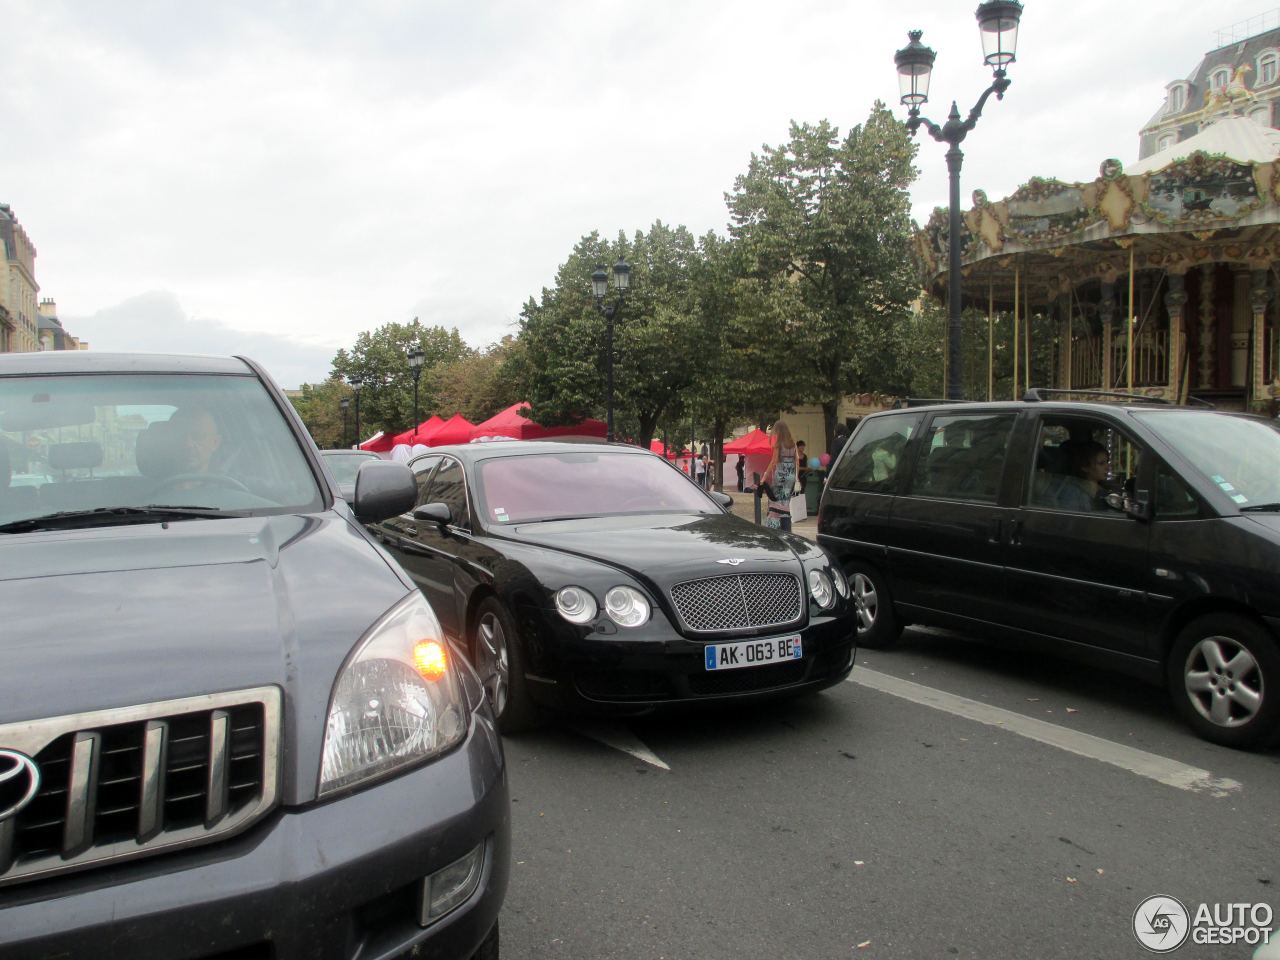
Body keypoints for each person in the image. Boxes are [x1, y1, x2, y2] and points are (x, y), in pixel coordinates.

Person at [760, 420, 799, 532]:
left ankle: (773, 528)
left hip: (780, 476)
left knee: (775, 503)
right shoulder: (793, 443)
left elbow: (774, 461)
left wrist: (764, 476)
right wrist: (796, 478)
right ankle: (786, 529)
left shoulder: (779, 444)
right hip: (790, 477)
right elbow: (797, 461)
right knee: (785, 504)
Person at [1058, 440, 1109, 512]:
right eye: (1101, 463)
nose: (1107, 467)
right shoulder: (1072, 494)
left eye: (1107, 462)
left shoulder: (1103, 492)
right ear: (1085, 467)